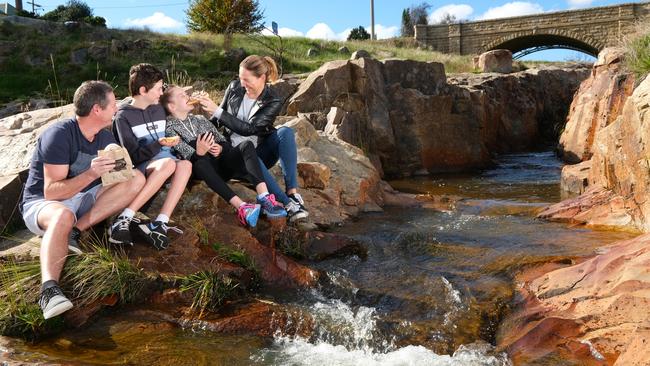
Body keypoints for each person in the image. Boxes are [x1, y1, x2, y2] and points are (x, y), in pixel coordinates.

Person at [20, 81, 146, 319]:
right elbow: (51, 192)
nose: (117, 108)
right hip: (43, 204)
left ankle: (75, 232)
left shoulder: (103, 135)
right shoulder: (59, 134)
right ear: (97, 109)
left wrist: (120, 160)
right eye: (113, 104)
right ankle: (48, 290)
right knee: (63, 214)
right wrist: (91, 173)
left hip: (83, 198)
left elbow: (123, 174)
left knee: (137, 179)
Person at [199, 55, 309, 222]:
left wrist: (218, 111)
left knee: (285, 132)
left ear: (262, 78)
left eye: (247, 79)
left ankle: (292, 194)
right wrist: (203, 120)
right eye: (240, 78)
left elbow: (250, 129)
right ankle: (286, 204)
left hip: (259, 155)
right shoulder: (234, 87)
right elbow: (216, 120)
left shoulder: (273, 99)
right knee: (246, 149)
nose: (242, 83)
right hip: (234, 155)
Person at [161, 85, 286, 226]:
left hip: (222, 166)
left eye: (186, 93)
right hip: (203, 170)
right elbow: (185, 155)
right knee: (199, 163)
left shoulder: (200, 119)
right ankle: (242, 207)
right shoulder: (169, 128)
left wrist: (220, 148)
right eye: (182, 95)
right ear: (172, 106)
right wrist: (199, 152)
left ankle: (264, 197)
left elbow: (223, 141)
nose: (187, 96)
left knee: (246, 145)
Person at [113, 63, 192, 250]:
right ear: (142, 90)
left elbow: (177, 107)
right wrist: (159, 144)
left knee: (186, 165)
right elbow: (131, 156)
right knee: (168, 165)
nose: (160, 92)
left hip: (166, 162)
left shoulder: (158, 109)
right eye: (158, 88)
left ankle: (160, 223)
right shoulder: (123, 117)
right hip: (143, 165)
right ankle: (125, 217)